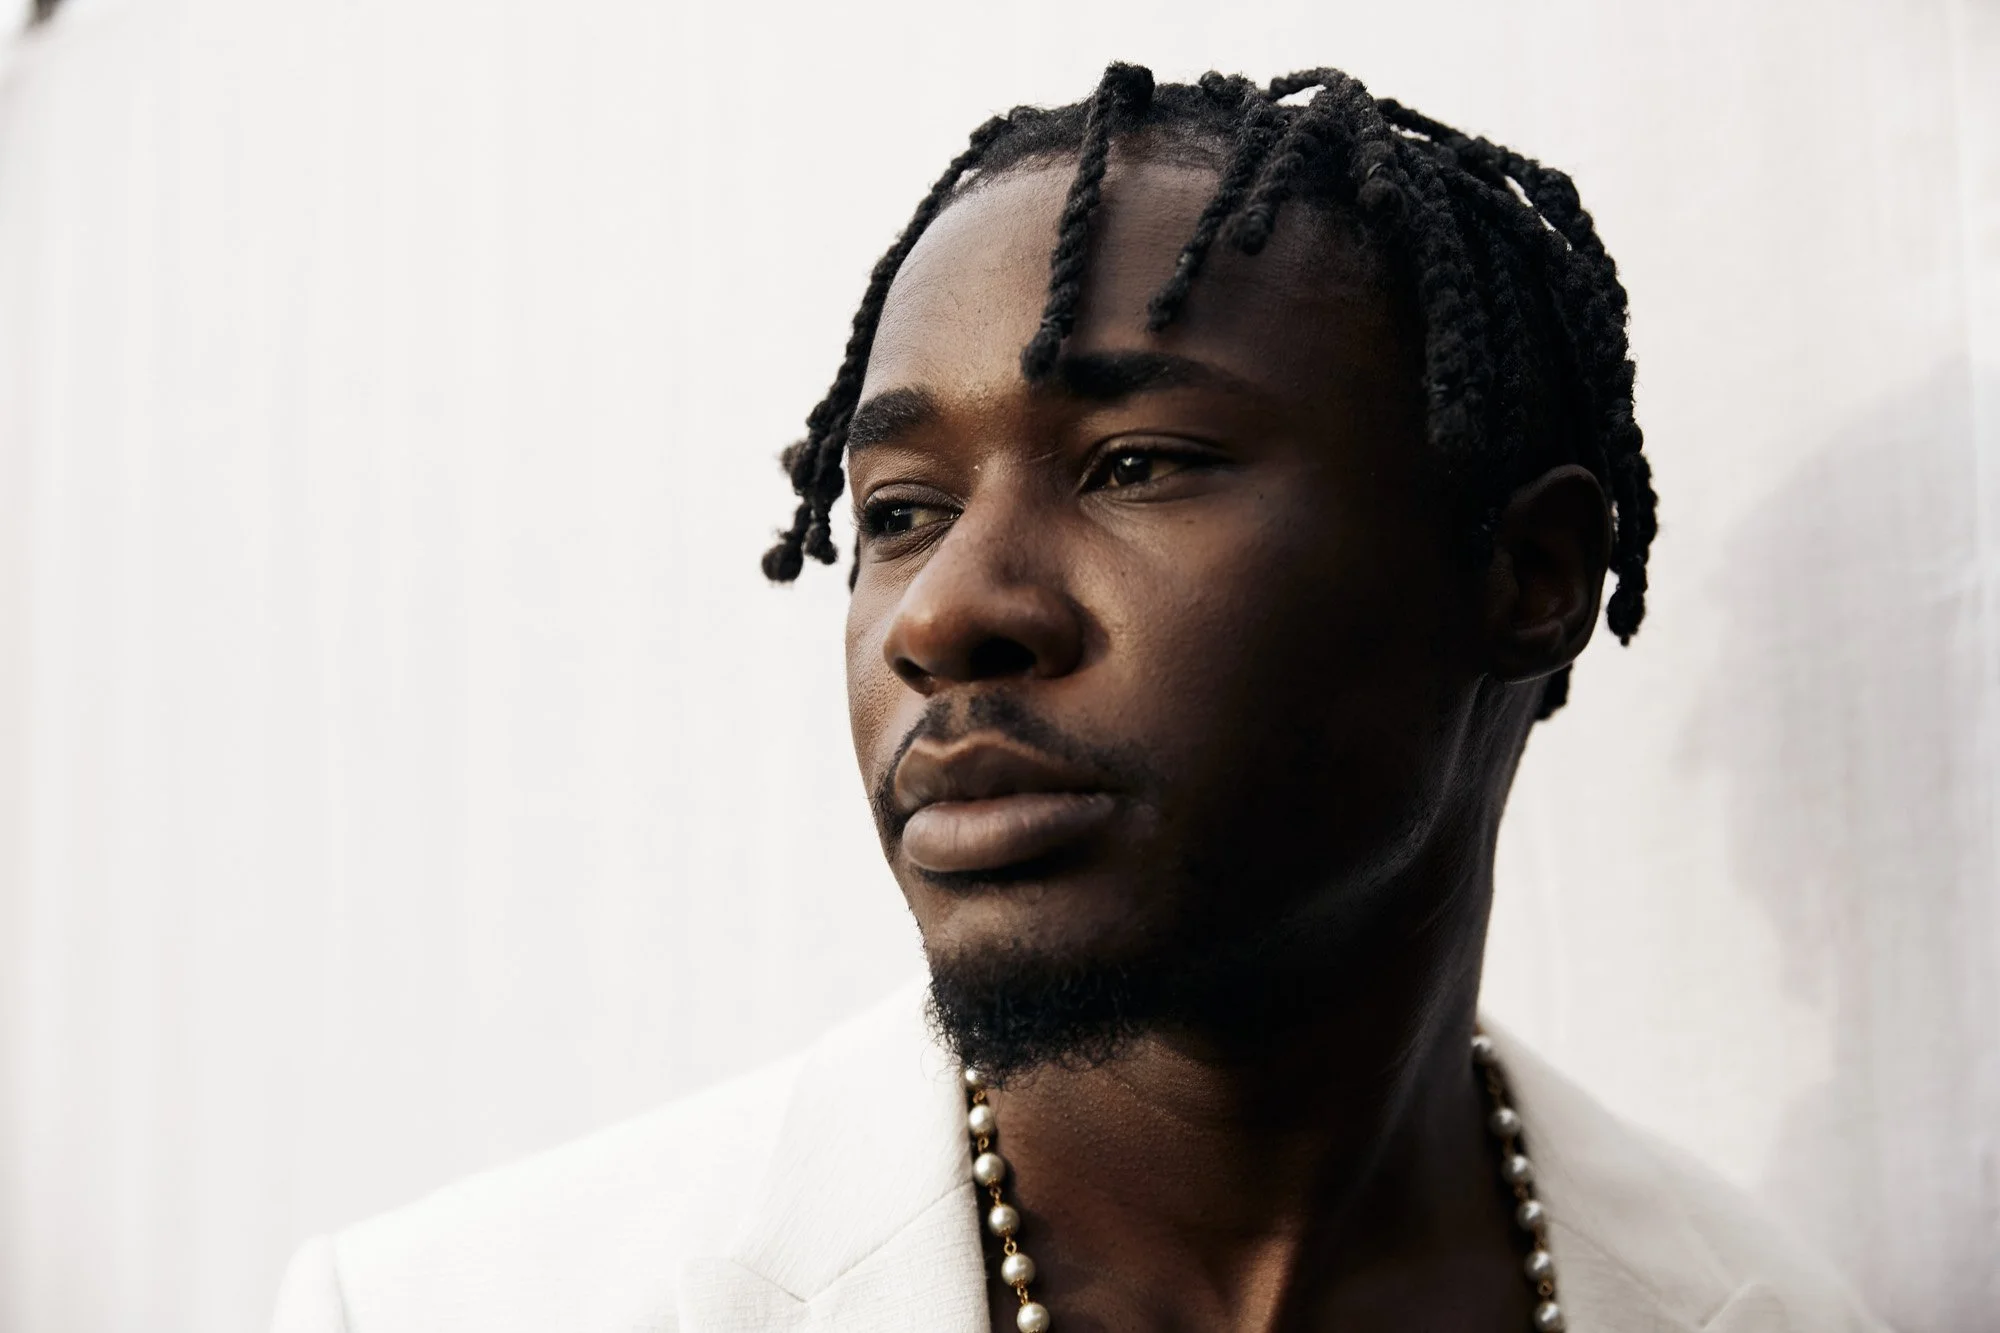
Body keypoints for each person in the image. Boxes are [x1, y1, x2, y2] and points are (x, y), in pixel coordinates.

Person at [272, 63, 1886, 1333]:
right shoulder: (456, 1311)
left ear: (1529, 574)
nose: (952, 612)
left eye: (1137, 466)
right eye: (898, 510)